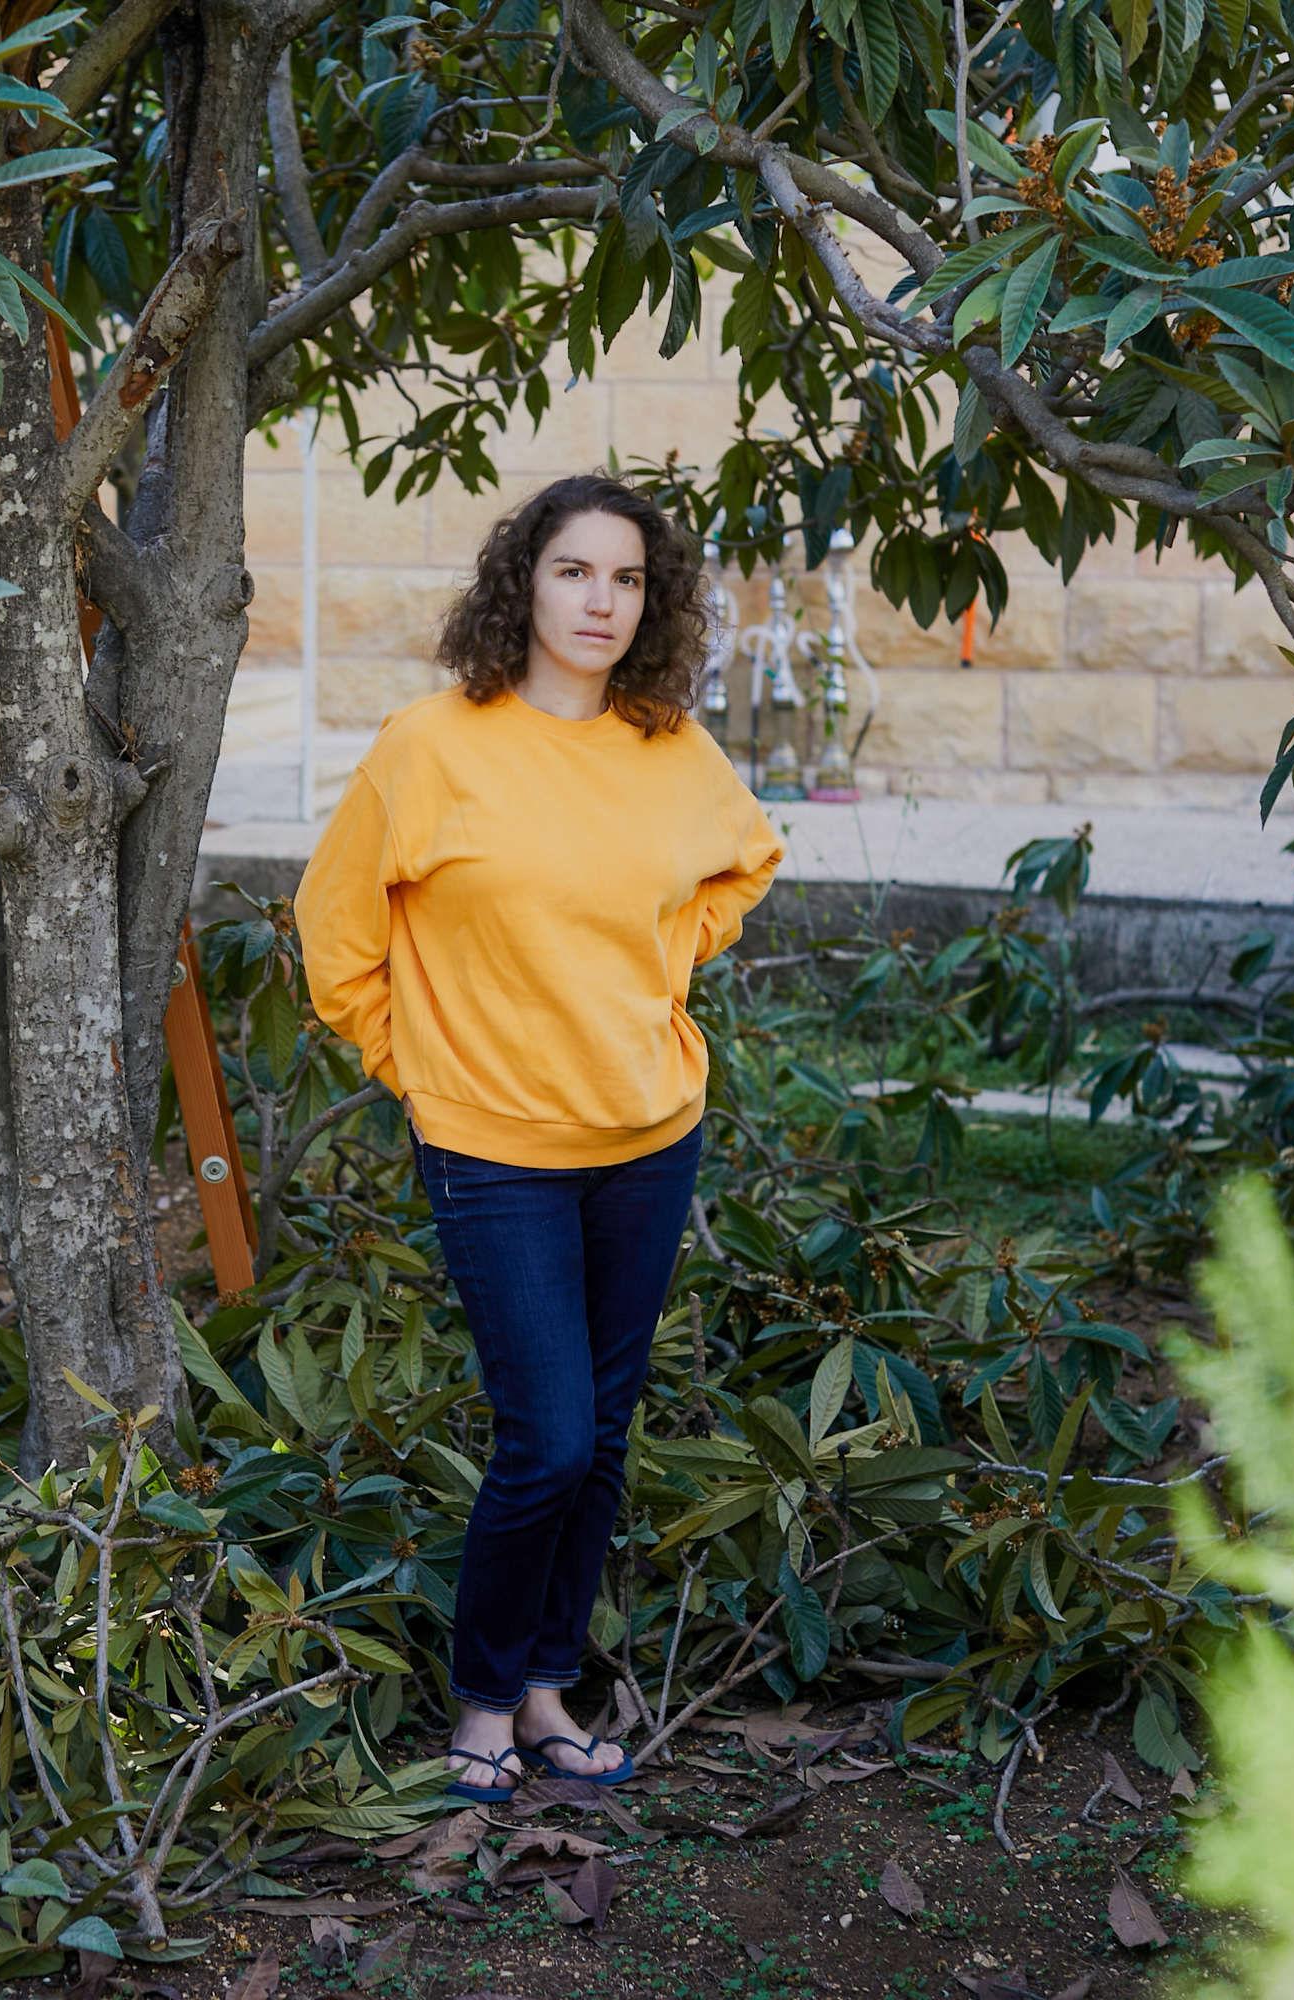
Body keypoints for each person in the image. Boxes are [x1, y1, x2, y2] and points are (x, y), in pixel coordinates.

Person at [296, 473, 785, 1804]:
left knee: (607, 1435)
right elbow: (336, 933)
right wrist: (417, 1063)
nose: (601, 601)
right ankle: (482, 1696)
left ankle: (550, 1688)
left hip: (647, 1130)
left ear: (653, 602)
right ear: (524, 581)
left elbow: (740, 865)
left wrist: (664, 965)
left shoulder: (669, 746)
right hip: (493, 1145)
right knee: (550, 1439)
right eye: (576, 571)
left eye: (627, 579)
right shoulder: (433, 742)